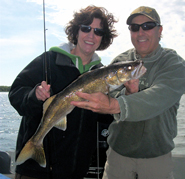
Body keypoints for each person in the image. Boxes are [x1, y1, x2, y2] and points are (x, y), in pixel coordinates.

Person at [70, 6, 185, 179]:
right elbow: (107, 96)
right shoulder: (120, 61)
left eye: (148, 26)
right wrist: (128, 94)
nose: (141, 32)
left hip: (157, 158)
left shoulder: (173, 63)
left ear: (159, 30)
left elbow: (160, 96)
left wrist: (116, 104)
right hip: (118, 156)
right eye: (134, 27)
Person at [8, 5, 117, 179]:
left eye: (98, 31)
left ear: (103, 38)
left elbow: (104, 120)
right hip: (35, 171)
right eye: (86, 28)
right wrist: (34, 96)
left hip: (73, 171)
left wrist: (108, 106)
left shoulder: (103, 74)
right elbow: (15, 94)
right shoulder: (48, 60)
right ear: (76, 31)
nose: (91, 35)